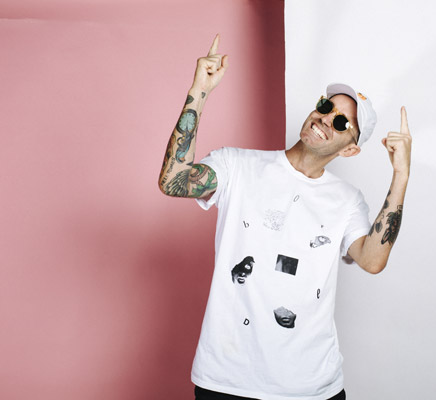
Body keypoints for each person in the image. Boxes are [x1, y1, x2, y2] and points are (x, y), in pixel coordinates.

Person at [158, 35, 412, 400]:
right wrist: (199, 91)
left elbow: (372, 260)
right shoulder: (238, 165)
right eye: (326, 106)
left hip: (311, 387)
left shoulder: (347, 201)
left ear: (351, 150)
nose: (326, 118)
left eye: (342, 122)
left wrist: (401, 175)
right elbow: (174, 180)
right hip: (226, 380)